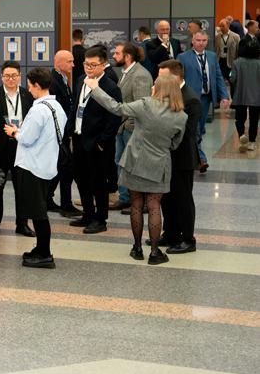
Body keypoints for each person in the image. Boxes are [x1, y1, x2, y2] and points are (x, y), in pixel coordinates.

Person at [84, 73, 187, 265]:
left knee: (136, 204)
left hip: (134, 162)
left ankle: (137, 248)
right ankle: (155, 252)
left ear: (161, 88)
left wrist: (95, 89)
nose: (152, 87)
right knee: (154, 206)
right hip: (159, 165)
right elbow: (175, 143)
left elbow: (117, 108)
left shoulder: (145, 105)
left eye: (155, 84)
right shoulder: (181, 116)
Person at [2, 67, 68, 269]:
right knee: (39, 209)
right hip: (46, 164)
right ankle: (40, 249)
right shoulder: (57, 106)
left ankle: (45, 254)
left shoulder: (38, 109)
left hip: (32, 166)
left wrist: (15, 132)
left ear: (37, 85)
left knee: (38, 213)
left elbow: (27, 138)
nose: (28, 89)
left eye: (30, 86)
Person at [66, 46, 122, 234]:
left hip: (98, 143)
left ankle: (100, 219)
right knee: (81, 178)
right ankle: (88, 214)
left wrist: (102, 141)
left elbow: (115, 117)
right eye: (86, 64)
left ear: (103, 64)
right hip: (79, 138)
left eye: (93, 65)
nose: (88, 68)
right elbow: (76, 107)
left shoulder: (110, 87)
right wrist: (70, 130)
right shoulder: (81, 80)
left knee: (98, 182)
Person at [0, 61, 35, 237]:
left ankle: (22, 224)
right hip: (0, 148)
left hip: (22, 147)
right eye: (7, 76)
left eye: (14, 76)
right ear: (2, 77)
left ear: (20, 76)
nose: (10, 79)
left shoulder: (27, 95)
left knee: (23, 189)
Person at [154, 60, 201, 254]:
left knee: (183, 200)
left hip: (182, 158)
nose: (158, 81)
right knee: (167, 198)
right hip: (165, 156)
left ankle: (188, 239)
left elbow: (187, 133)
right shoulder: (164, 94)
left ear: (176, 77)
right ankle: (171, 233)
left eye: (162, 77)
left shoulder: (190, 99)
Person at [178, 30, 230, 172]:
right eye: (198, 40)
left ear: (207, 42)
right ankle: (201, 159)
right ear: (192, 41)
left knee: (199, 129)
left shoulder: (212, 56)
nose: (201, 43)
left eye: (204, 40)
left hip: (206, 99)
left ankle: (195, 158)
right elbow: (178, 78)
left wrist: (224, 96)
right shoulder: (183, 57)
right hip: (190, 100)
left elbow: (218, 77)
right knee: (194, 129)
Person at [111, 42, 153, 213]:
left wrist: (131, 127)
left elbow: (142, 106)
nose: (114, 56)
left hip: (132, 128)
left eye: (117, 53)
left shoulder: (140, 75)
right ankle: (125, 198)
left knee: (133, 165)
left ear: (127, 56)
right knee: (121, 163)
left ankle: (139, 202)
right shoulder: (126, 73)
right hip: (122, 128)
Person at [46, 50, 80, 218]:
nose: (73, 65)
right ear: (58, 62)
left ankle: (47, 198)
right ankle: (65, 204)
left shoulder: (62, 78)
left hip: (63, 131)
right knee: (65, 168)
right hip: (58, 132)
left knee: (61, 167)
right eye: (69, 61)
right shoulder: (53, 81)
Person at [230, 38, 260, 152]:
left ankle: (241, 134)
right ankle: (252, 142)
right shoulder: (259, 63)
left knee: (239, 118)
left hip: (240, 94)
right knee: (254, 120)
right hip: (256, 96)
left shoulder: (237, 62)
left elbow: (232, 79)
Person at [216, 18, 240, 86]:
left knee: (232, 81)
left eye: (223, 26)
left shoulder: (236, 36)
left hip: (231, 63)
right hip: (220, 61)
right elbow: (216, 50)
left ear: (228, 25)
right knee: (220, 81)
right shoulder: (217, 37)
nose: (221, 28)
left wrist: (237, 62)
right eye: (220, 26)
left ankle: (233, 93)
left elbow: (238, 50)